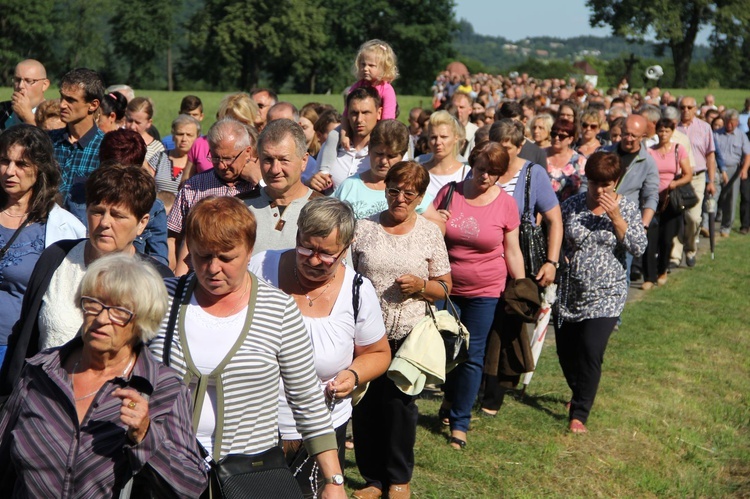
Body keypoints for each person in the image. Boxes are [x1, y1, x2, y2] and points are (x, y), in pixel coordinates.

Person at [149, 196, 347, 498]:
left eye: (226, 258)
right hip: (167, 470)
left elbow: (307, 398)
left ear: (249, 250)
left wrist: (333, 480)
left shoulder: (278, 309)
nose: (213, 268)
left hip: (249, 476)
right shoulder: (163, 297)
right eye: (202, 256)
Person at [0, 253, 207, 497]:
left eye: (118, 311)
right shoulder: (40, 372)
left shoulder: (162, 389)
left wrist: (145, 436)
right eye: (93, 303)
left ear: (141, 321)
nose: (100, 319)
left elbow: (191, 486)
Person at [249, 197, 391, 496]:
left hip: (321, 434)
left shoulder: (358, 291)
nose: (314, 260)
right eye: (306, 248)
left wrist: (353, 375)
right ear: (298, 233)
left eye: (326, 254)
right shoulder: (260, 268)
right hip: (253, 426)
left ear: (346, 247)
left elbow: (378, 353)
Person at [0, 163, 172, 403]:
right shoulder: (57, 257)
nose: (105, 223)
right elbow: (25, 336)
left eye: (118, 215)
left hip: (108, 419)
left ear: (142, 222)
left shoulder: (158, 281)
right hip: (40, 403)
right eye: (97, 211)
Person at [350, 161, 452, 499]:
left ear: (421, 197)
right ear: (386, 189)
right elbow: (346, 276)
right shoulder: (363, 228)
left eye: (409, 194)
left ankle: (398, 478)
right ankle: (372, 480)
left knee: (401, 409)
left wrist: (422, 286)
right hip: (365, 332)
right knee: (364, 406)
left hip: (409, 333)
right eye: (394, 191)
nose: (400, 199)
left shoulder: (429, 232)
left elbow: (446, 286)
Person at [433, 142, 525, 450]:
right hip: (446, 288)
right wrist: (437, 222)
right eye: (481, 169)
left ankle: (460, 422)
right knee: (445, 350)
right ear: (472, 163)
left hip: (486, 290)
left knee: (472, 356)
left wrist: (522, 285)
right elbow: (427, 231)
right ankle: (449, 398)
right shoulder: (450, 192)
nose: (485, 177)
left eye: (493, 173)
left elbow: (512, 249)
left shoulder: (506, 204)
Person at [556, 151, 647, 434]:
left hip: (607, 294)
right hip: (571, 293)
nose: (599, 190)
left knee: (591, 349)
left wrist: (617, 218)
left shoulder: (627, 209)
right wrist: (559, 257)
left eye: (606, 185)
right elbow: (556, 237)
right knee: (566, 353)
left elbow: (639, 247)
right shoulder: (571, 205)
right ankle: (579, 390)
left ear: (615, 182)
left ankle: (580, 413)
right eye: (595, 183)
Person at [0, 125, 86, 366]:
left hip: (17, 351)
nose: (10, 171)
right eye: (4, 161)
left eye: (21, 164)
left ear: (40, 170)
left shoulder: (63, 227)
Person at [168, 118, 259, 273]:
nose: (222, 166)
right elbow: (172, 237)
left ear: (247, 152)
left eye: (229, 158)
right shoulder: (194, 186)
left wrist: (259, 180)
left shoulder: (260, 185)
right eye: (216, 158)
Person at [239, 118, 323, 255]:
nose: (275, 169)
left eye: (283, 160)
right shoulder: (238, 208)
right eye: (268, 159)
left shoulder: (327, 212)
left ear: (304, 161)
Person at [318, 39, 398, 171]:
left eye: (371, 66)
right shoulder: (356, 86)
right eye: (363, 64)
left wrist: (377, 138)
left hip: (379, 129)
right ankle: (324, 169)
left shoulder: (387, 90)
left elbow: (388, 121)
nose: (366, 69)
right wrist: (344, 134)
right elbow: (345, 115)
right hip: (353, 125)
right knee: (332, 135)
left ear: (384, 67)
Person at [333, 120, 438, 220]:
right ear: (369, 150)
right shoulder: (350, 186)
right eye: (379, 154)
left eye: (391, 156)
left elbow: (437, 223)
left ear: (402, 155)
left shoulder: (410, 187)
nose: (383, 161)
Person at [49, 68, 106, 223]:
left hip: (84, 238)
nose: (62, 105)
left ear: (93, 105)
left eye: (71, 100)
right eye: (62, 97)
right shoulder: (47, 142)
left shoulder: (105, 148)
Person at [644, 119, 693, 289]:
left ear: (672, 132)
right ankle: (649, 277)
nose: (663, 134)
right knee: (650, 239)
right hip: (652, 200)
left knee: (666, 239)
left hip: (671, 200)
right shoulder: (650, 152)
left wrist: (675, 184)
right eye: (660, 131)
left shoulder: (679, 150)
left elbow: (688, 174)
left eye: (666, 131)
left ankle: (662, 270)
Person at [310, 87, 383, 191]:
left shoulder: (386, 153)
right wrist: (312, 183)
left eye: (366, 112)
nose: (359, 119)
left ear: (379, 113)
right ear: (347, 113)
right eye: (354, 113)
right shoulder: (332, 145)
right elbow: (315, 182)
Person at [673, 96, 717, 268]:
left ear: (696, 108)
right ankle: (674, 255)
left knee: (693, 217)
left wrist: (711, 181)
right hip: (677, 177)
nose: (685, 110)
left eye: (689, 107)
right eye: (682, 107)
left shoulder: (704, 128)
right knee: (676, 215)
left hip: (698, 176)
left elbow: (710, 155)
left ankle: (690, 248)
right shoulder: (673, 127)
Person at [713, 109, 750, 237]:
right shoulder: (716, 134)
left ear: (737, 122)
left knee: (731, 199)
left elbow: (747, 155)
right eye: (727, 122)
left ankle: (726, 227)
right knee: (713, 196)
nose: (729, 125)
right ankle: (708, 225)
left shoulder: (741, 136)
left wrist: (744, 170)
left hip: (734, 169)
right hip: (717, 169)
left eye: (732, 122)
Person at [419, 111, 469, 198]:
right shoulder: (418, 172)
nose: (438, 142)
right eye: (433, 137)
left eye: (444, 137)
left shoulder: (466, 173)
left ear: (456, 138)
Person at [148, 114, 201, 195]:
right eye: (180, 134)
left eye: (189, 135)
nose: (184, 139)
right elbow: (146, 183)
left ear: (197, 138)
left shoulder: (199, 164)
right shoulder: (159, 158)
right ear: (173, 136)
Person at [1, 60, 50, 130]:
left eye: (29, 81)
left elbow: (51, 140)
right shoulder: (3, 110)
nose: (20, 86)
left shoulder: (56, 114)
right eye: (17, 80)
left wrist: (28, 117)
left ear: (45, 85)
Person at [545, 118, 586, 201]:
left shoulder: (580, 161)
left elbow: (584, 188)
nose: (556, 138)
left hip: (569, 209)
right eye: (554, 134)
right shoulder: (539, 156)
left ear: (570, 139)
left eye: (562, 136)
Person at [125, 97, 165, 163]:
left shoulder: (157, 149)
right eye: (129, 120)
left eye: (138, 123)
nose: (132, 126)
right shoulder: (117, 142)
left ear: (149, 123)